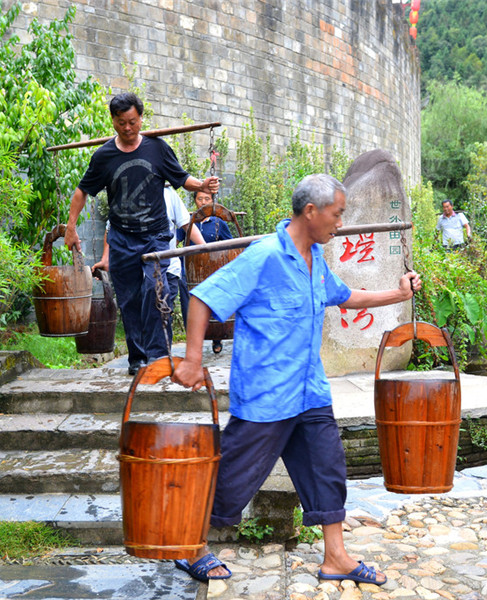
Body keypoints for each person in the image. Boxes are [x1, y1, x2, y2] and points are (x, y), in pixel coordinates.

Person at [172, 174, 421, 586]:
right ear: (311, 212)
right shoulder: (265, 256)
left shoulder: (315, 259)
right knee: (232, 477)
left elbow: (344, 296)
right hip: (266, 396)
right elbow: (203, 298)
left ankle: (336, 557)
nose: (340, 223)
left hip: (309, 391)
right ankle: (188, 546)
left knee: (327, 468)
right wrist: (193, 360)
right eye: (337, 214)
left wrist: (398, 295)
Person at [64, 92, 219, 375]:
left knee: (154, 291)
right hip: (122, 238)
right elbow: (81, 191)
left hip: (156, 236)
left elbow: (182, 179)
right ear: (113, 121)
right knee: (130, 298)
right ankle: (137, 359)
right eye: (121, 122)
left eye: (132, 122)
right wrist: (71, 227)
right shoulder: (104, 156)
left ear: (141, 118)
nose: (127, 128)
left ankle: (159, 358)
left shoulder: (157, 149)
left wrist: (203, 185)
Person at [92, 186, 204, 348]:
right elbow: (111, 228)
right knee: (138, 315)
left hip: (167, 269)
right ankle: (143, 360)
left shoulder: (169, 194)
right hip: (135, 270)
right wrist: (105, 259)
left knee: (162, 315)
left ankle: (162, 359)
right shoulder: (126, 191)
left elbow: (187, 225)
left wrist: (206, 249)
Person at [177, 190, 235, 353]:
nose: (203, 202)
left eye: (207, 199)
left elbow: (230, 245)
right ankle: (193, 343)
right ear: (195, 201)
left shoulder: (218, 223)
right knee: (188, 304)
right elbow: (175, 241)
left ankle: (217, 339)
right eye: (200, 198)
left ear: (212, 201)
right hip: (189, 272)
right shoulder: (188, 223)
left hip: (212, 270)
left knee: (213, 303)